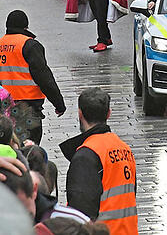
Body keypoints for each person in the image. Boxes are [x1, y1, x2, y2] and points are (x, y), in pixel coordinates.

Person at [60, 87, 137, 234]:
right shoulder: (125, 149)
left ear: (80, 113)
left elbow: (80, 213)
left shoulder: (86, 155)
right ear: (108, 113)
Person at [0, 10, 66, 143]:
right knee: (29, 150)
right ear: (26, 27)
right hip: (27, 108)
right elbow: (44, 77)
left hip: (0, 107)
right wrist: (59, 104)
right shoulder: (29, 45)